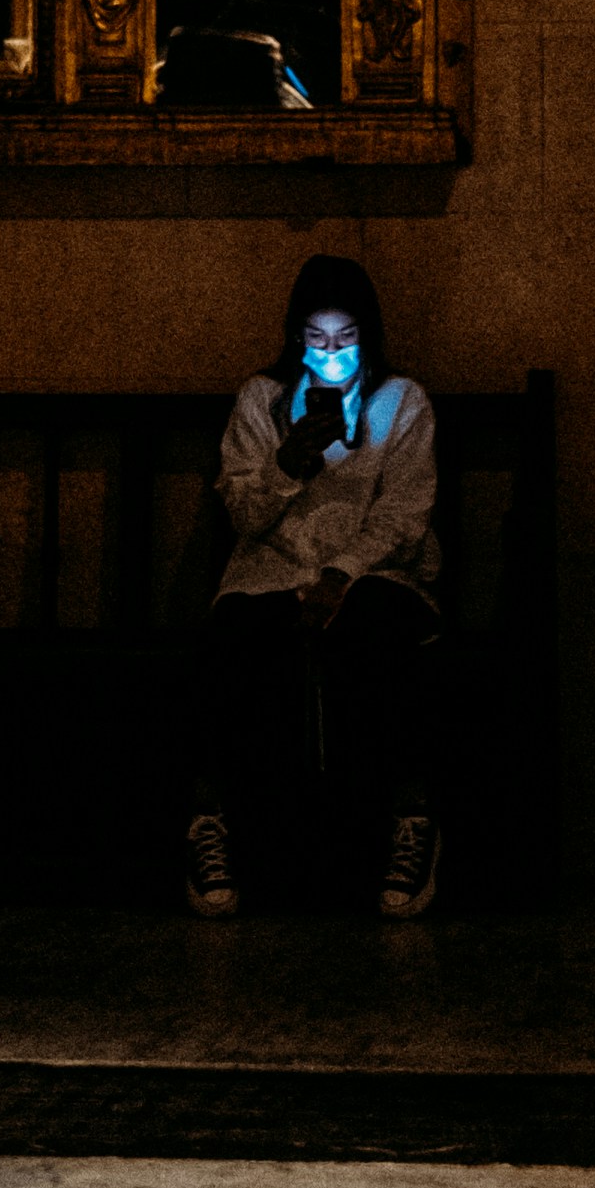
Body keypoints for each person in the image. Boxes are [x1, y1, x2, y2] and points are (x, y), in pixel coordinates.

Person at [182, 253, 442, 923]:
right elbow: (241, 514)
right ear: (298, 337)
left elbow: (402, 515)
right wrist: (289, 461)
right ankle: (216, 826)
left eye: (346, 339)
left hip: (368, 570)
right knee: (239, 634)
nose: (332, 356)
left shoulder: (400, 401)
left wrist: (340, 574)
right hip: (273, 566)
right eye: (317, 340)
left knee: (379, 635)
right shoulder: (262, 401)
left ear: (369, 335)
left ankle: (406, 825)